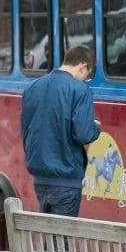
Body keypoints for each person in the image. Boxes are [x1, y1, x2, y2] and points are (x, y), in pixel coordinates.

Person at [21, 45, 101, 218]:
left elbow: (27, 128)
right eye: (87, 75)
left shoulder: (32, 88)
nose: (85, 80)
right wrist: (94, 127)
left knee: (51, 237)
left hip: (40, 178)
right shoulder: (80, 90)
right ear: (82, 66)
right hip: (66, 178)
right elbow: (83, 134)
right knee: (62, 241)